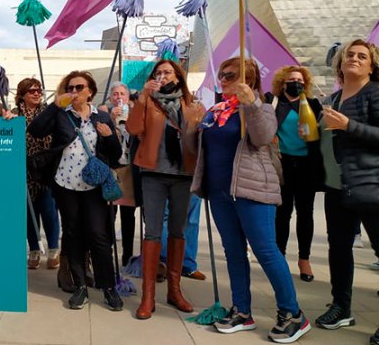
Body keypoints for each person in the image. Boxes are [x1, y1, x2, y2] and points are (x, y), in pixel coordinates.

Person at [191, 57, 311, 343]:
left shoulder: (262, 106)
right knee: (233, 252)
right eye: (222, 74)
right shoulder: (215, 111)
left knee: (266, 251)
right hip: (220, 193)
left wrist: (252, 104)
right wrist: (191, 123)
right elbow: (197, 150)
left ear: (250, 79)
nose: (224, 79)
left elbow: (262, 137)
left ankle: (293, 314)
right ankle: (242, 311)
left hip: (252, 190)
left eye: (231, 75)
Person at [27, 70, 124, 311]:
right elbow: (36, 130)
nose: (74, 92)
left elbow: (115, 156)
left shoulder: (101, 117)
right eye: (70, 88)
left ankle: (108, 287)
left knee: (99, 235)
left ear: (90, 91)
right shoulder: (61, 115)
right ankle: (79, 286)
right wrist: (54, 105)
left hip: (93, 185)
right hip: (65, 184)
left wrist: (110, 136)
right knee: (72, 235)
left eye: (79, 87)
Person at [125, 59, 204, 319]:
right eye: (158, 73)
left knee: (178, 231)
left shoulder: (193, 104)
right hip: (153, 174)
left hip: (183, 174)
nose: (162, 76)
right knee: (152, 232)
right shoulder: (147, 101)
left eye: (167, 72)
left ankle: (174, 290)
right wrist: (142, 97)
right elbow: (133, 128)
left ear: (178, 76)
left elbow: (201, 137)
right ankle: (148, 296)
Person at [315, 40, 379, 345]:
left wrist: (349, 125)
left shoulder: (375, 93)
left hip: (371, 186)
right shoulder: (334, 97)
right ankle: (341, 307)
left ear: (371, 65)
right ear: (341, 65)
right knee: (338, 250)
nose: (354, 58)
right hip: (336, 187)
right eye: (349, 55)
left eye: (361, 56)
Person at [265, 66, 323, 282]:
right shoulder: (272, 102)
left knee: (305, 213)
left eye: (299, 80)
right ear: (282, 82)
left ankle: (304, 259)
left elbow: (322, 135)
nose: (295, 83)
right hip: (282, 165)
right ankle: (279, 257)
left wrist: (313, 133)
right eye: (291, 79)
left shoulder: (313, 105)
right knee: (282, 213)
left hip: (307, 165)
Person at [13, 78, 60, 270]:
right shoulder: (15, 116)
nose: (36, 94)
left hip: (46, 169)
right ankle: (33, 249)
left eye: (39, 90)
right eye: (31, 91)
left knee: (49, 211)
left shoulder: (48, 113)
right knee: (28, 214)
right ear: (22, 94)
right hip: (24, 172)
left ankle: (54, 250)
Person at [98, 81, 137, 266]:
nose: (119, 97)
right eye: (115, 94)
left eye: (122, 93)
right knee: (109, 214)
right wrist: (112, 121)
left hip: (129, 170)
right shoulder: (104, 116)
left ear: (128, 97)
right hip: (112, 171)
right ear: (111, 98)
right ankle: (106, 253)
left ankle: (127, 255)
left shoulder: (135, 116)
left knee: (128, 216)